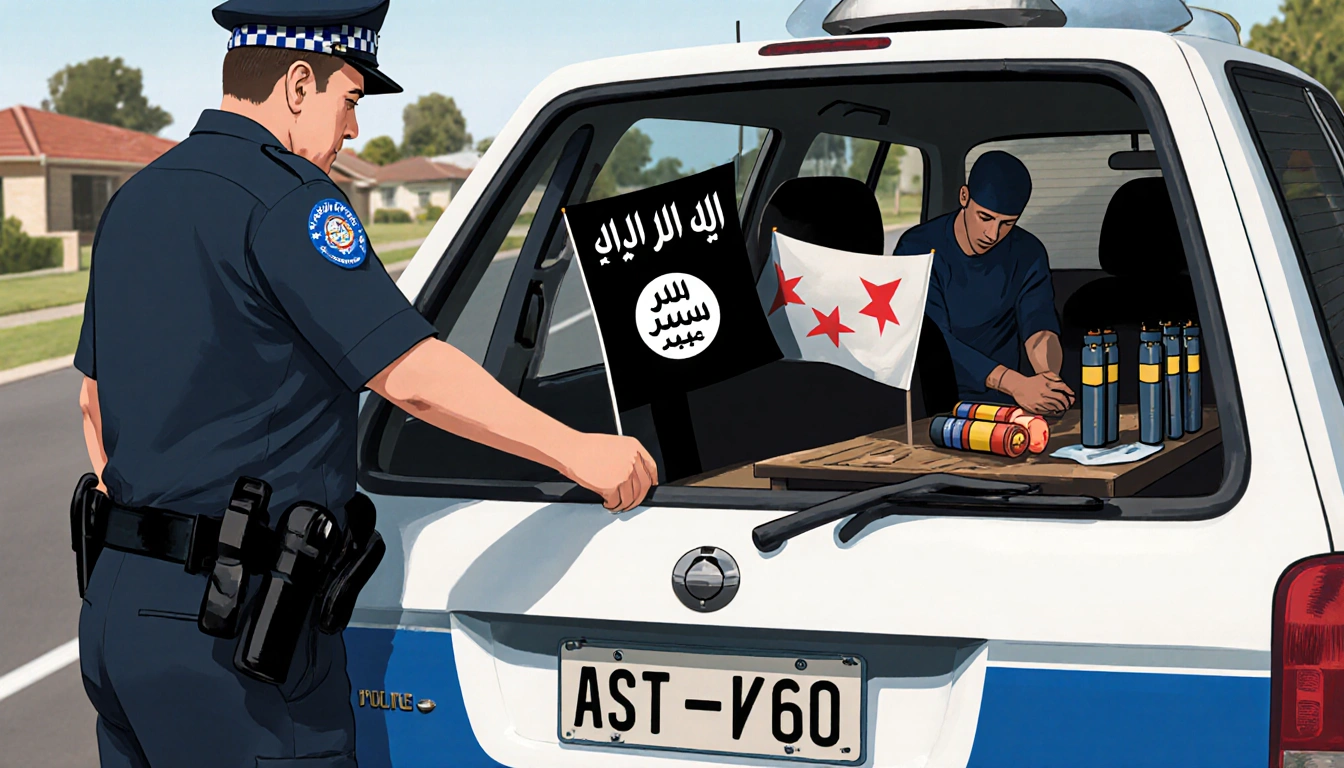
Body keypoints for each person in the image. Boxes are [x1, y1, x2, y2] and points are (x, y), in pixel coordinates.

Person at [73, 2, 656, 766]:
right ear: (297, 83)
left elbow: (93, 402)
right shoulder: (289, 201)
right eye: (349, 99)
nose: (351, 131)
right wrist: (580, 453)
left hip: (118, 614)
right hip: (235, 630)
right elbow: (410, 376)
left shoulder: (136, 200)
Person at [894, 150, 1075, 415]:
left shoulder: (1028, 252)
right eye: (986, 218)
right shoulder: (917, 248)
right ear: (964, 196)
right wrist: (1014, 383)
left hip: (1004, 403)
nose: (993, 234)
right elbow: (933, 339)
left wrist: (1048, 379)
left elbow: (1039, 326)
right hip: (931, 401)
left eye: (1007, 223)